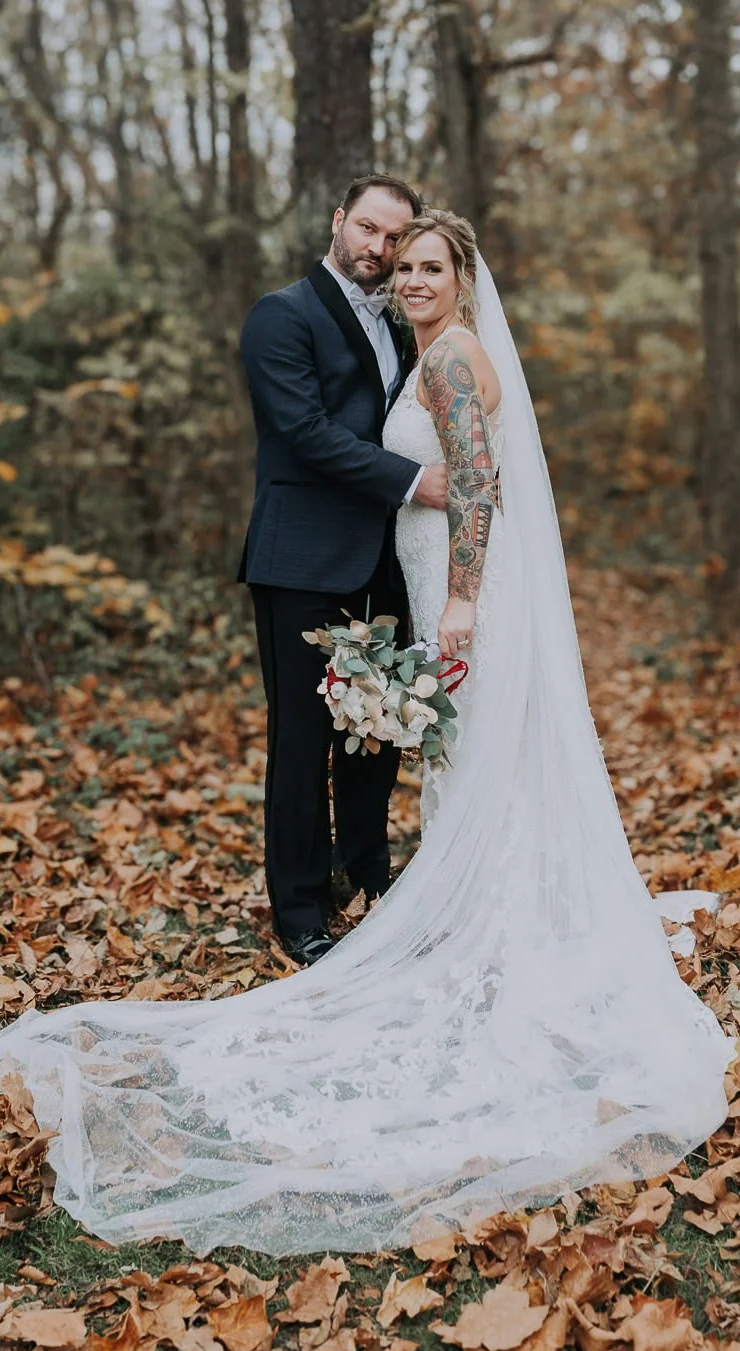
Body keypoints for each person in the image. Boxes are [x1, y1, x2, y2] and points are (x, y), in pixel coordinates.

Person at [0, 208, 736, 1261]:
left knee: (473, 764)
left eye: (426, 264)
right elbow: (342, 442)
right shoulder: (365, 334)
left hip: (460, 595)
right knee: (449, 762)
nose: (407, 275)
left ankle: (489, 928)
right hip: (396, 573)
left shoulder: (452, 360)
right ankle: (441, 910)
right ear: (354, 239)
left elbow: (481, 486)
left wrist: (459, 603)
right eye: (397, 259)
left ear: (462, 278)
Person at [238, 174, 447, 967]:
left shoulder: (403, 322)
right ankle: (300, 908)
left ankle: (366, 873)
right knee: (303, 738)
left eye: (395, 238)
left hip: (382, 560)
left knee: (379, 730)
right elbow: (303, 430)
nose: (379, 249)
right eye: (367, 229)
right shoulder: (282, 316)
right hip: (301, 559)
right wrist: (410, 482)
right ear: (338, 223)